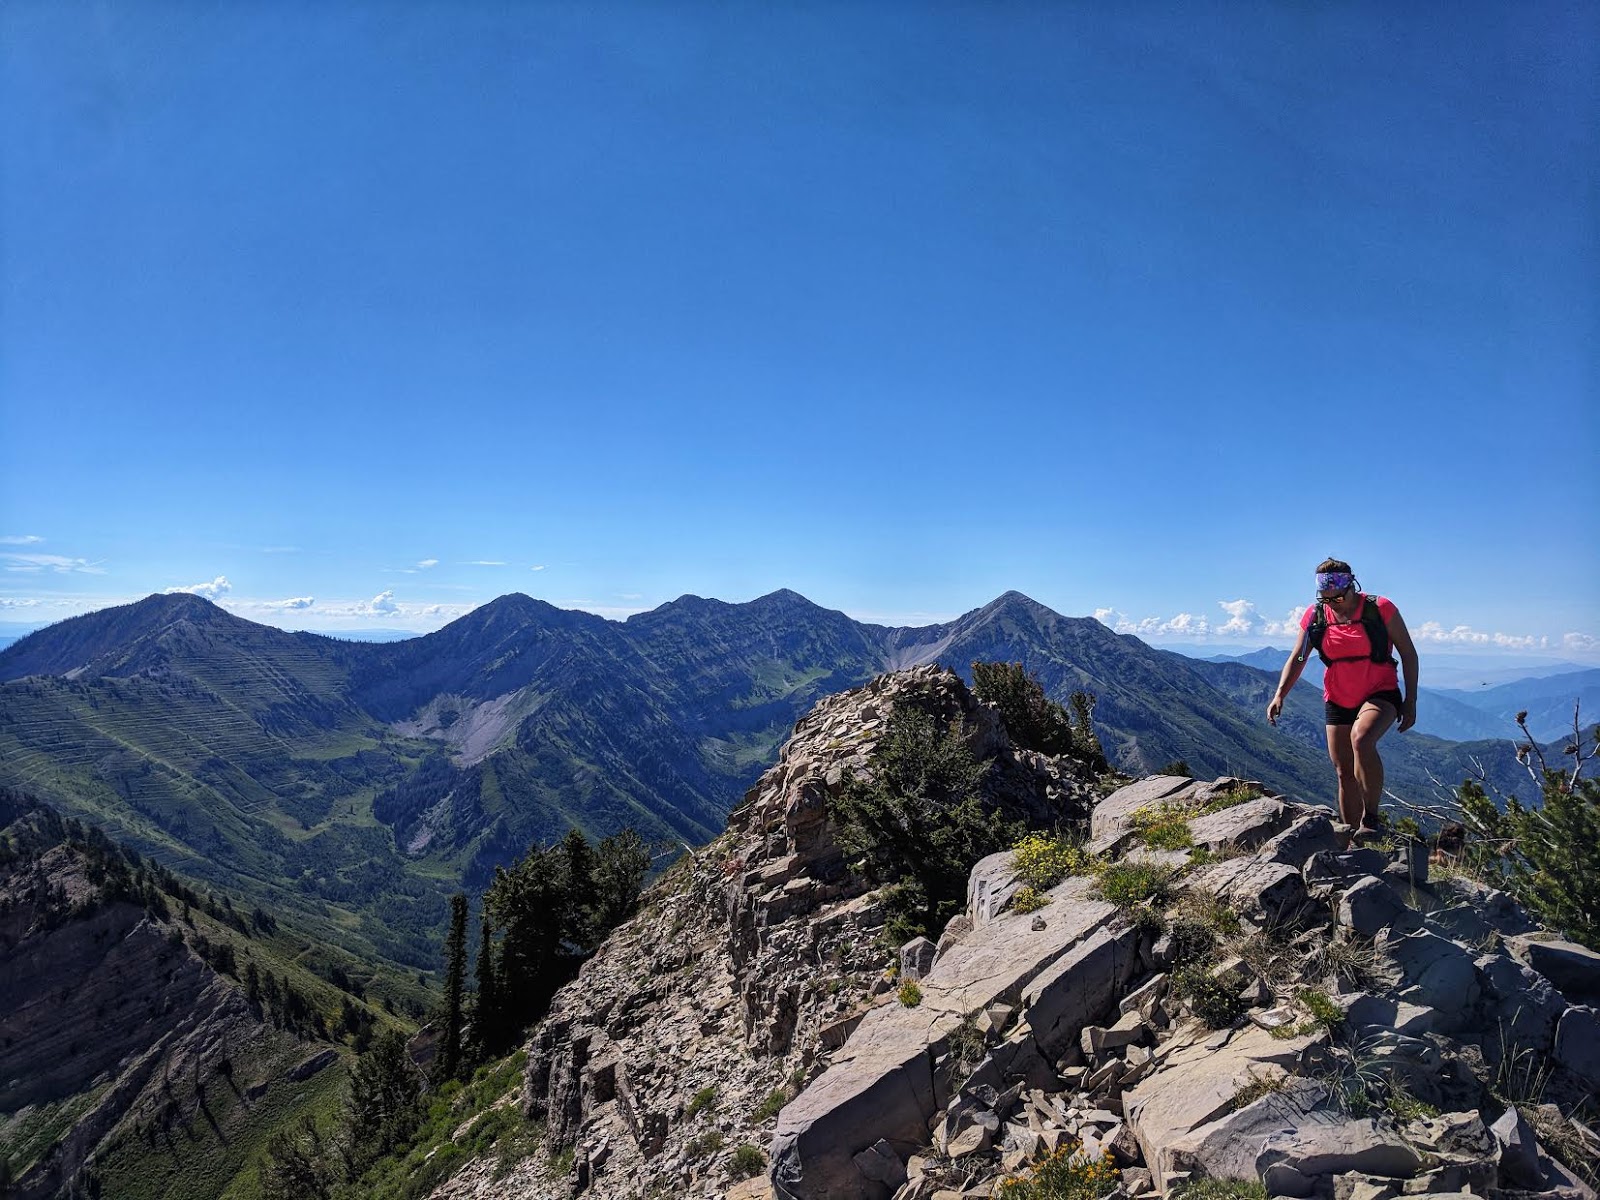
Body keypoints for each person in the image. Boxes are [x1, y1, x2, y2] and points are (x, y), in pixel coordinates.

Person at [1266, 558, 1419, 835]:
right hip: (1338, 696)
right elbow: (1299, 656)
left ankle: (1371, 820)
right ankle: (1350, 838)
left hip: (1380, 691)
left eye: (1337, 595)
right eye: (1325, 597)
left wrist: (1410, 701)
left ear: (1352, 585)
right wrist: (1280, 694)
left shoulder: (1379, 608)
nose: (1332, 602)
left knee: (1361, 738)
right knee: (1343, 772)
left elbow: (1408, 654)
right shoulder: (1317, 615)